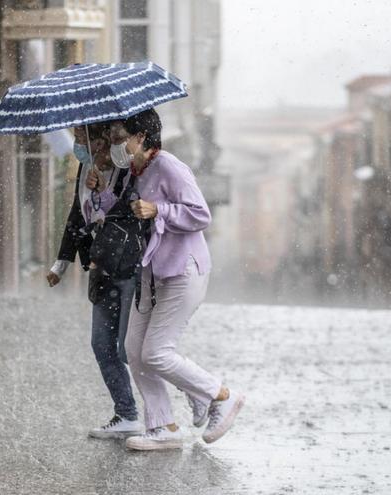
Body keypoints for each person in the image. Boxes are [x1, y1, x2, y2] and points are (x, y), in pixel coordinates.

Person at [109, 108, 245, 451]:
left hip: (184, 270)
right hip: (151, 274)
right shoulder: (132, 173)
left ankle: (220, 395)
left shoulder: (168, 165)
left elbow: (201, 213)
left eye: (120, 137)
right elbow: (113, 211)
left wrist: (160, 210)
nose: (115, 144)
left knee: (156, 352)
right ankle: (163, 426)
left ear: (141, 138)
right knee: (134, 352)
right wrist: (100, 187)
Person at [46, 122, 143, 439]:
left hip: (129, 267)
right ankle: (126, 413)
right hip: (101, 266)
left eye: (82, 138)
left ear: (102, 141)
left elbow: (135, 215)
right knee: (102, 344)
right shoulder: (85, 169)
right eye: (76, 139)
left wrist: (105, 191)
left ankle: (175, 406)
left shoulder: (131, 170)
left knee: (132, 349)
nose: (79, 145)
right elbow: (77, 215)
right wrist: (61, 264)